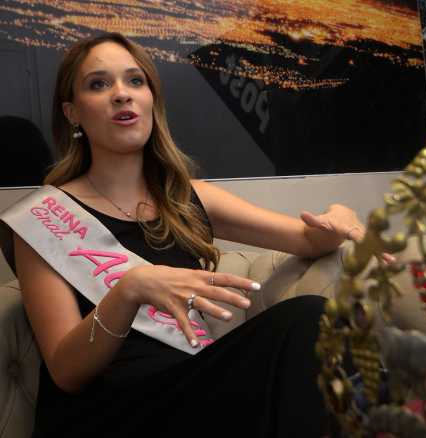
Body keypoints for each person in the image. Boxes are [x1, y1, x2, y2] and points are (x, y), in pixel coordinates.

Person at [5, 33, 368, 437]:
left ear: (151, 100)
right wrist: (129, 290)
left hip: (194, 394)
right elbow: (66, 372)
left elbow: (308, 239)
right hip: (108, 415)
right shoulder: (42, 218)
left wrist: (339, 218)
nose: (122, 94)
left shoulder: (187, 199)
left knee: (313, 319)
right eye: (99, 83)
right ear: (72, 112)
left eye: (135, 80)